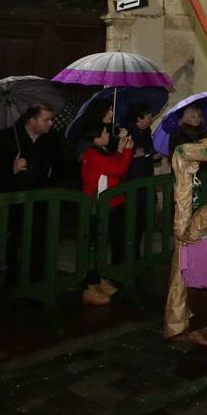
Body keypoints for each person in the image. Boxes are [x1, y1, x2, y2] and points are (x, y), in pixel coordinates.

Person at [79, 118, 133, 305]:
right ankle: (89, 287)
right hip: (98, 206)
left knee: (103, 244)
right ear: (95, 138)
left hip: (110, 204)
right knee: (94, 245)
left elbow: (112, 166)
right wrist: (127, 151)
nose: (108, 134)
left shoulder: (99, 151)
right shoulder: (92, 155)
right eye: (104, 132)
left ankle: (99, 280)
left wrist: (120, 149)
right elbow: (118, 169)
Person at [0, 104, 65, 194]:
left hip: (40, 197)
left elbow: (60, 165)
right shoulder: (6, 137)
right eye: (46, 120)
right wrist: (12, 168)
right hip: (11, 198)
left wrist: (48, 171)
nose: (51, 123)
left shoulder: (51, 138)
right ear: (31, 120)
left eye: (51, 119)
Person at [123, 104, 160, 181]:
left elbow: (147, 150)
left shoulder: (147, 131)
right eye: (149, 117)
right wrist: (134, 153)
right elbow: (125, 155)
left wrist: (155, 156)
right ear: (139, 119)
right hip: (133, 178)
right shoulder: (126, 133)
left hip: (147, 174)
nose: (151, 118)